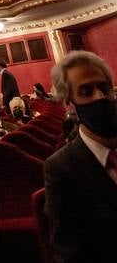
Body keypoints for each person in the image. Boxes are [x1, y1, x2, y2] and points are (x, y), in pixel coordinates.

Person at [44, 50, 117, 262]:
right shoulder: (61, 168)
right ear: (69, 104)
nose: (99, 97)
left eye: (104, 88)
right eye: (86, 91)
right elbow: (68, 252)